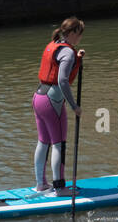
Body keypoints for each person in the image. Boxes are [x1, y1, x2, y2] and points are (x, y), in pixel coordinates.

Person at [33, 17, 85, 193]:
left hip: (39, 97)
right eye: (79, 34)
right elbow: (63, 81)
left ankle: (41, 185)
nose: (80, 38)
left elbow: (61, 64)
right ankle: (60, 189)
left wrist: (76, 59)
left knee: (43, 142)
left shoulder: (53, 44)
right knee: (59, 144)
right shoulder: (68, 53)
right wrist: (74, 106)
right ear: (71, 33)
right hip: (52, 102)